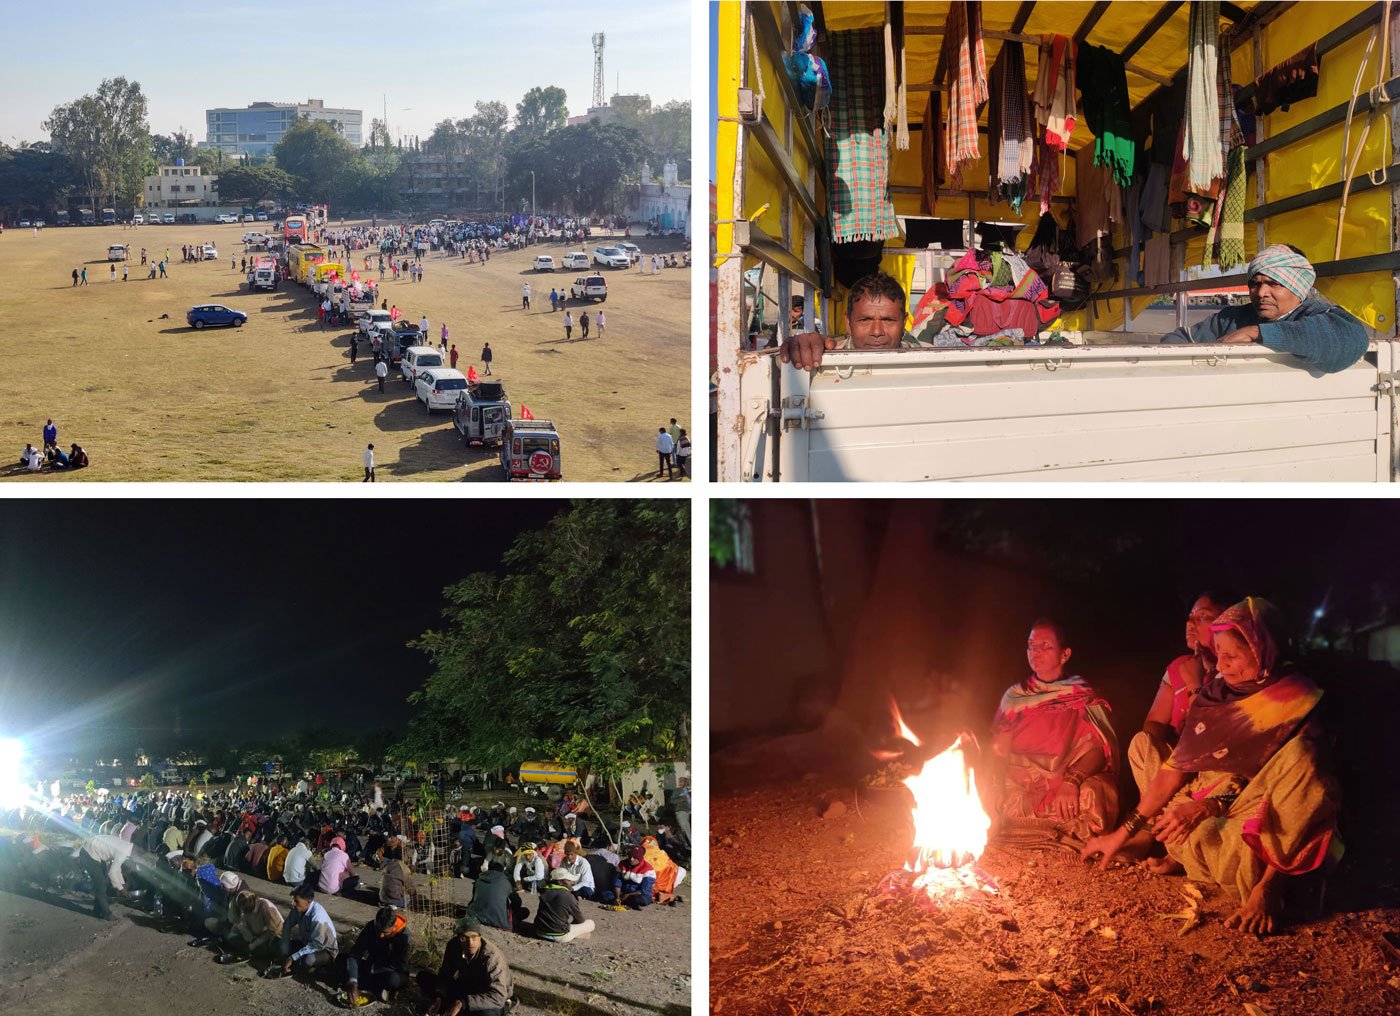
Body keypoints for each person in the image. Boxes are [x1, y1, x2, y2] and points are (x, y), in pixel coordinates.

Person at [1082, 598, 1340, 936]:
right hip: (1212, 812)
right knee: (1158, 771)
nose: (1223, 664)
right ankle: (1189, 854)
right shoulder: (1214, 696)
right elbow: (1173, 770)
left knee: (1302, 758)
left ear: (1264, 649)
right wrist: (1120, 834)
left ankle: (1269, 890)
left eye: (1232, 655)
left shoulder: (1296, 698)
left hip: (1262, 824)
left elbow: (1297, 792)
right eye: (1219, 653)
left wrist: (1209, 805)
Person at [986, 619, 1120, 846]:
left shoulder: (1082, 695)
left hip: (1068, 784)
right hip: (1023, 785)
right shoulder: (1015, 697)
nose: (1035, 653)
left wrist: (1071, 782)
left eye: (1045, 646)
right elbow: (998, 751)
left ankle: (1034, 827)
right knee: (987, 792)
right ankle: (1048, 828)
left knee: (1097, 794)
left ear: (1065, 654)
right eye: (1031, 646)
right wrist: (994, 787)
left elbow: (1099, 749)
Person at [1161, 245, 1370, 375]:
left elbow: (1352, 338)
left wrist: (1258, 333)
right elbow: (1176, 341)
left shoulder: (1315, 314)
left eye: (1274, 283)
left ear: (1297, 286)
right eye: (1255, 283)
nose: (1261, 292)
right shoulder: (1230, 318)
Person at [1130, 593, 1232, 794]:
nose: (1190, 623)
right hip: (1178, 761)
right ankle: (1166, 807)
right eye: (1190, 616)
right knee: (1140, 743)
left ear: (1228, 621)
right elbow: (1153, 724)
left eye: (1202, 616)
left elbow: (1208, 737)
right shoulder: (1178, 667)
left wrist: (1195, 685)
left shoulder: (1233, 670)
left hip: (1213, 764)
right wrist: (1174, 747)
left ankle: (1159, 813)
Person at [780, 272, 930, 369]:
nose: (877, 332)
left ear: (904, 322)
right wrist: (801, 348)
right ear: (848, 322)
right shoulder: (825, 360)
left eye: (888, 320)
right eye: (865, 320)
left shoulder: (931, 360)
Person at [422, 917, 514, 1016]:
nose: (470, 943)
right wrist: (439, 996)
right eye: (464, 938)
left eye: (474, 937)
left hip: (487, 995)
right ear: (458, 938)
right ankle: (451, 1006)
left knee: (486, 1014)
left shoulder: (492, 958)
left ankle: (505, 1007)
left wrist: (463, 1002)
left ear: (480, 936)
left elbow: (498, 996)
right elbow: (445, 973)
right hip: (467, 987)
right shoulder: (453, 946)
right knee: (424, 978)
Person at [339, 906, 411, 1007]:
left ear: (394, 927)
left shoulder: (404, 937)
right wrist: (353, 981)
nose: (381, 935)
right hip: (371, 966)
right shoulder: (371, 927)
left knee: (392, 980)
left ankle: (367, 984)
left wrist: (375, 969)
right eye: (378, 930)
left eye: (385, 933)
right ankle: (372, 988)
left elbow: (401, 965)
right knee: (341, 959)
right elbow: (356, 953)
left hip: (390, 971)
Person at [276, 884, 338, 976]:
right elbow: (287, 926)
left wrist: (292, 958)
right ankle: (295, 963)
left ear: (308, 901)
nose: (293, 904)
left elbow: (317, 945)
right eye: (293, 900)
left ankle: (321, 967)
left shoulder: (317, 916)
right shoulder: (297, 908)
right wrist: (285, 952)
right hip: (307, 944)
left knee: (308, 959)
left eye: (296, 901)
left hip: (324, 950)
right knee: (279, 945)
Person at [81, 832, 134, 919]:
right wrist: (121, 889)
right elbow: (112, 872)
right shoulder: (123, 852)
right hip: (88, 854)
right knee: (101, 884)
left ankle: (97, 911)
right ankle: (107, 914)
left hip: (93, 851)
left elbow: (116, 868)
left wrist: (122, 884)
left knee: (101, 883)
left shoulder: (127, 847)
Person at [534, 869, 596, 941]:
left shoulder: (544, 891)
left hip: (539, 931)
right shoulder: (568, 896)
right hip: (559, 935)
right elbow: (580, 920)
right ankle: (575, 935)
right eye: (569, 880)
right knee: (591, 923)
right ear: (560, 882)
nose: (572, 883)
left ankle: (575, 934)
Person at [467, 859, 526, 931]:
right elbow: (517, 902)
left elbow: (473, 900)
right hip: (500, 922)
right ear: (502, 872)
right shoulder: (505, 883)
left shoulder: (478, 880)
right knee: (524, 912)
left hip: (476, 917)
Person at [224, 890, 284, 960]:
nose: (243, 910)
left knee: (271, 947)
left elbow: (273, 931)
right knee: (232, 937)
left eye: (244, 907)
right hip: (256, 937)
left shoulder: (265, 906)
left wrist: (253, 945)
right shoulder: (246, 908)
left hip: (273, 938)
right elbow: (242, 924)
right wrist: (251, 939)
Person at [379, 844, 413, 909]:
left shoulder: (388, 864)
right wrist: (415, 896)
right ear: (403, 856)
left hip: (383, 899)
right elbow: (410, 887)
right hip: (396, 900)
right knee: (409, 899)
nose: (408, 856)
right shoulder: (404, 868)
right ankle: (395, 904)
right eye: (406, 854)